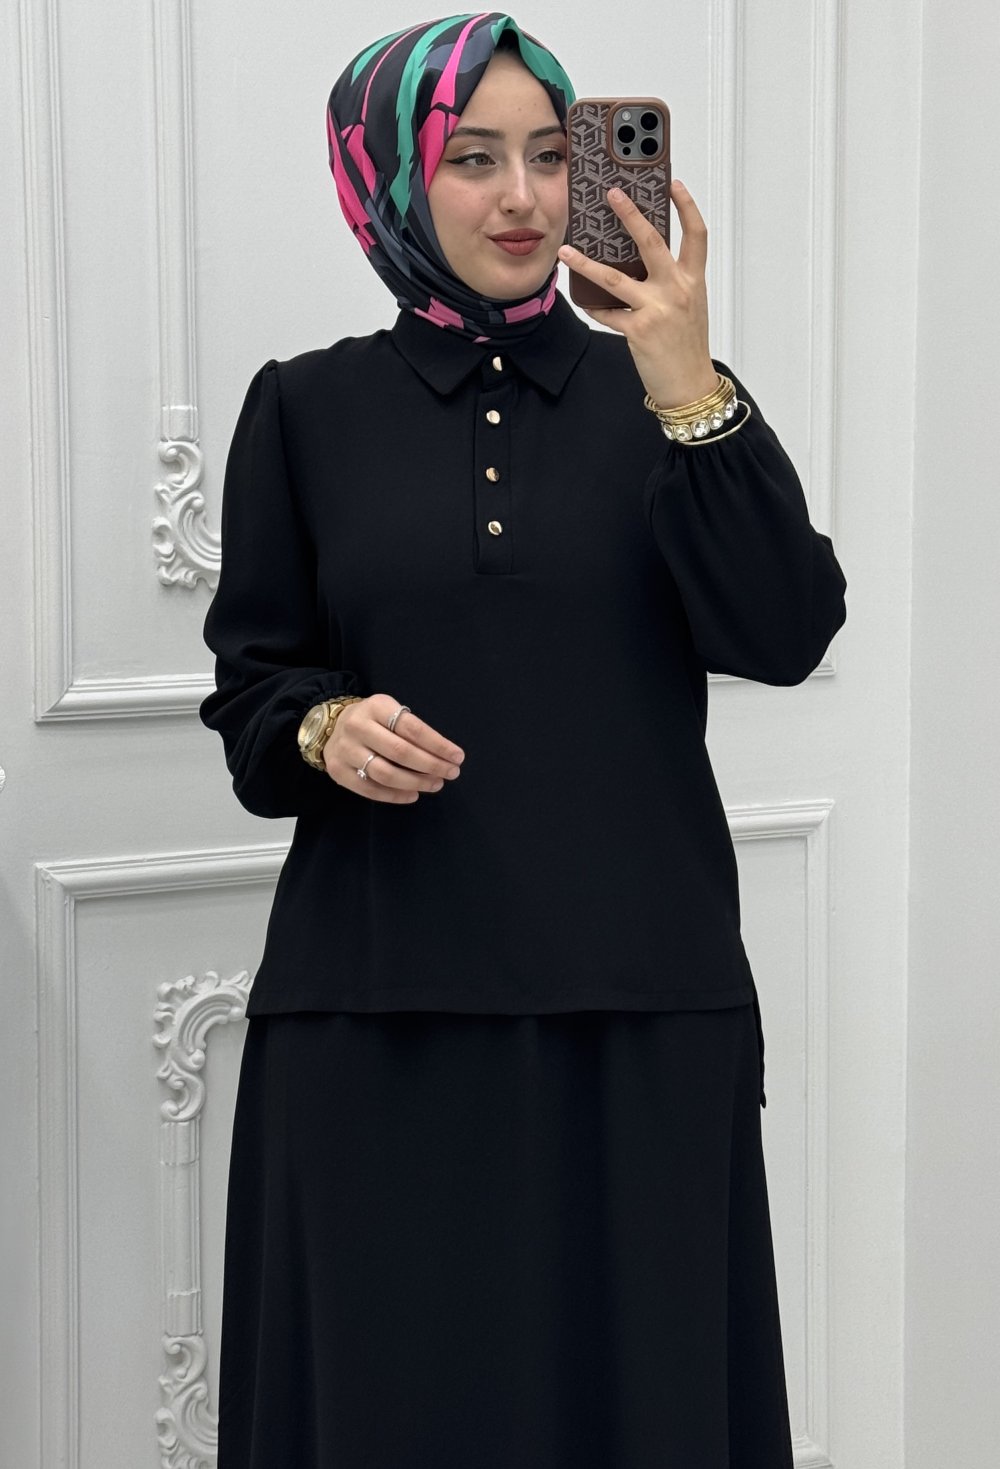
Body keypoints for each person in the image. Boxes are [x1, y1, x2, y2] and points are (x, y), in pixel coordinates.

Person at [199, 12, 847, 1467]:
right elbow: (251, 698)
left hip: (641, 1007)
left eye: (552, 157)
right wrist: (323, 725)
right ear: (390, 178)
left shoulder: (668, 398)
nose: (524, 199)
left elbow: (787, 631)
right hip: (379, 1011)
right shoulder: (305, 408)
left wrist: (686, 378)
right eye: (473, 158)